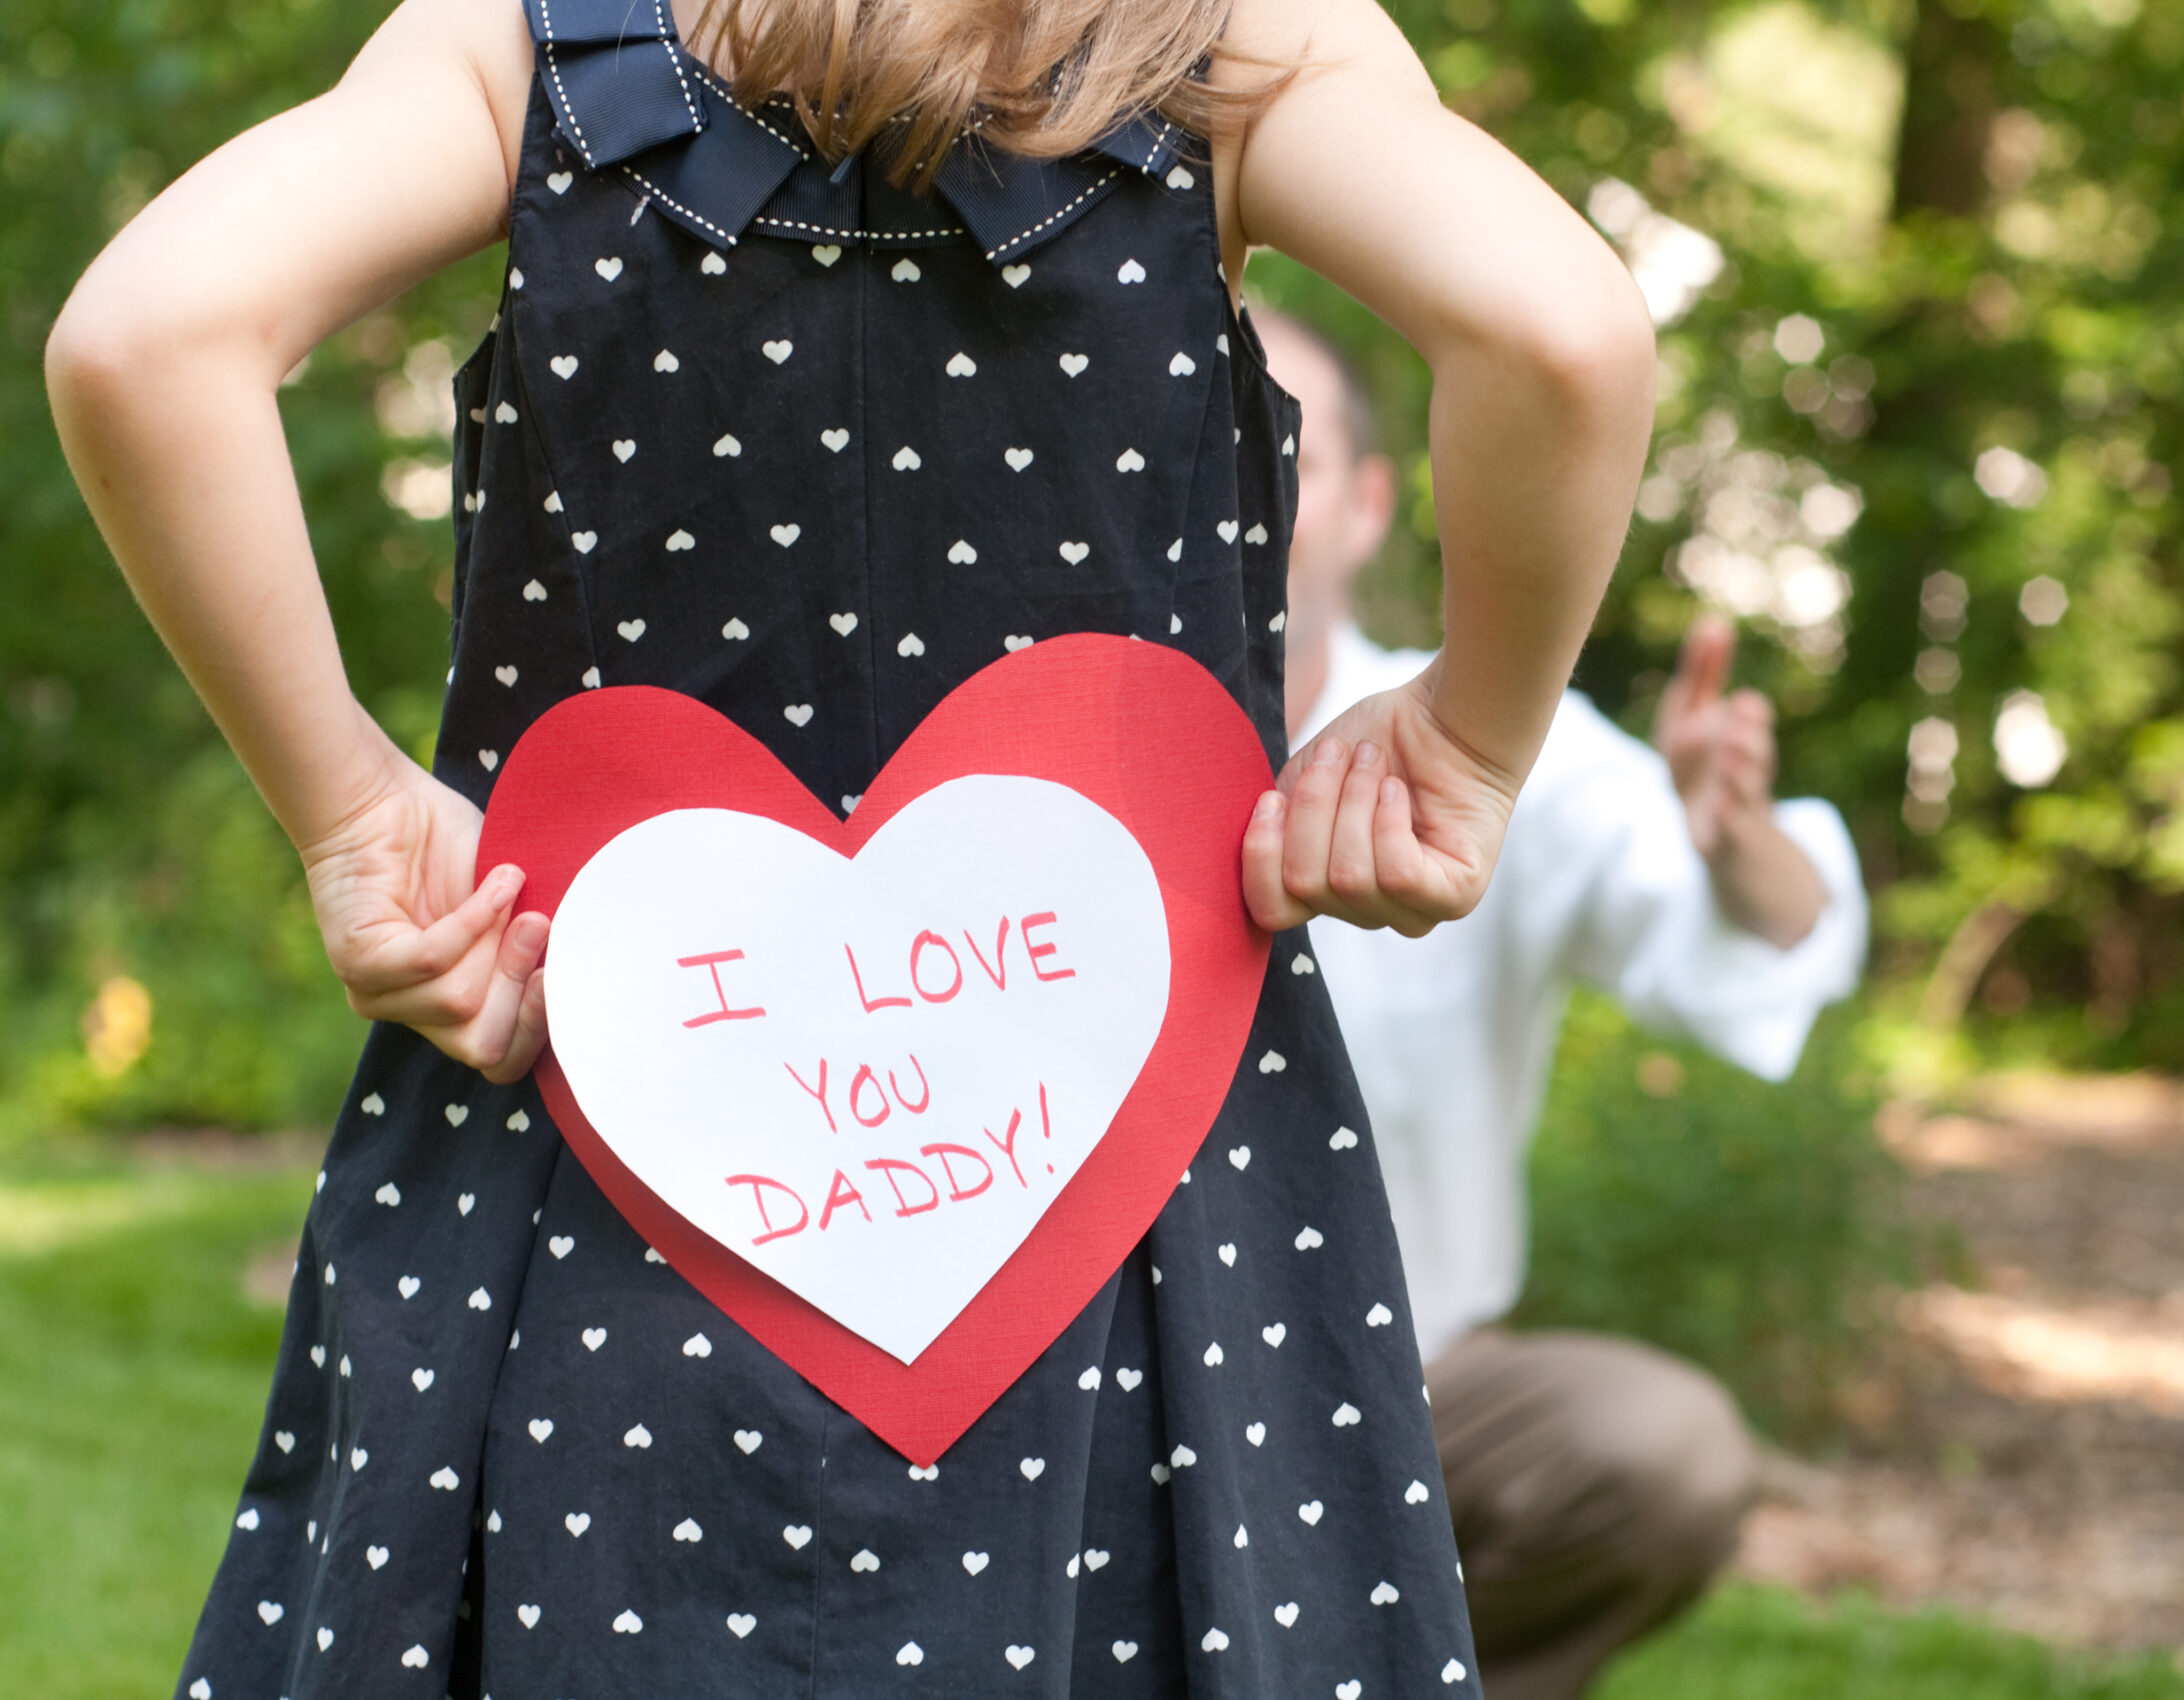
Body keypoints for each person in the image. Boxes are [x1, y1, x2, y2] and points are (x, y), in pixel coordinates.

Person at [45, 0, 1658, 1694]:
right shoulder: (1237, 48)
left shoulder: (515, 50)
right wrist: (1469, 741)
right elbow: (1561, 335)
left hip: (595, 1143)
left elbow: (148, 339)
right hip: (1120, 1199)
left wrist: (350, 812)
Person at [1260, 312, 1869, 1700]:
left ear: (1365, 507)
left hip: (1407, 1386)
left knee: (1657, 1450)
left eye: (1278, 451)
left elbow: (1758, 937)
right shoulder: (1017, 745)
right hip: (1077, 1403)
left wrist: (1735, 841)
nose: (1234, 485)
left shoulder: (1477, 728)